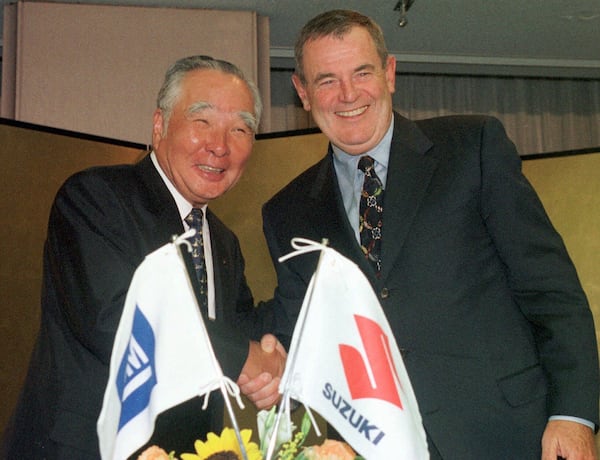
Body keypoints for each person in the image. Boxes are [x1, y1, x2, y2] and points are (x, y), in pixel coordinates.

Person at [261, 9, 599, 459]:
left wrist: (574, 415)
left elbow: (551, 290)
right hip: (377, 446)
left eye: (362, 72)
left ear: (389, 72)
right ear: (303, 92)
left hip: (513, 435)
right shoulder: (288, 211)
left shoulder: (473, 147)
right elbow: (297, 332)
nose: (347, 94)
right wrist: (247, 355)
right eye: (326, 80)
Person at [2, 55, 284, 459]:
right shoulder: (95, 199)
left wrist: (278, 345)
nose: (219, 145)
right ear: (159, 126)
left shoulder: (223, 243)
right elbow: (117, 320)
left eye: (240, 128)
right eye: (202, 122)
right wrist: (244, 357)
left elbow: (238, 327)